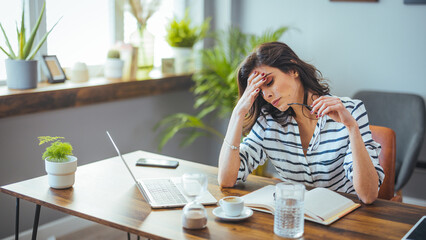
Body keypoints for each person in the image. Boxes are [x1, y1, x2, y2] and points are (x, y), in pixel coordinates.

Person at [218, 42, 384, 204]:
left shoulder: (351, 111)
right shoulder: (268, 121)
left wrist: (352, 128)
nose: (267, 95)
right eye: (259, 91)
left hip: (346, 221)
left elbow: (368, 195)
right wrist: (237, 114)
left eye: (269, 83)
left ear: (292, 70)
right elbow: (226, 180)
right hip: (294, 220)